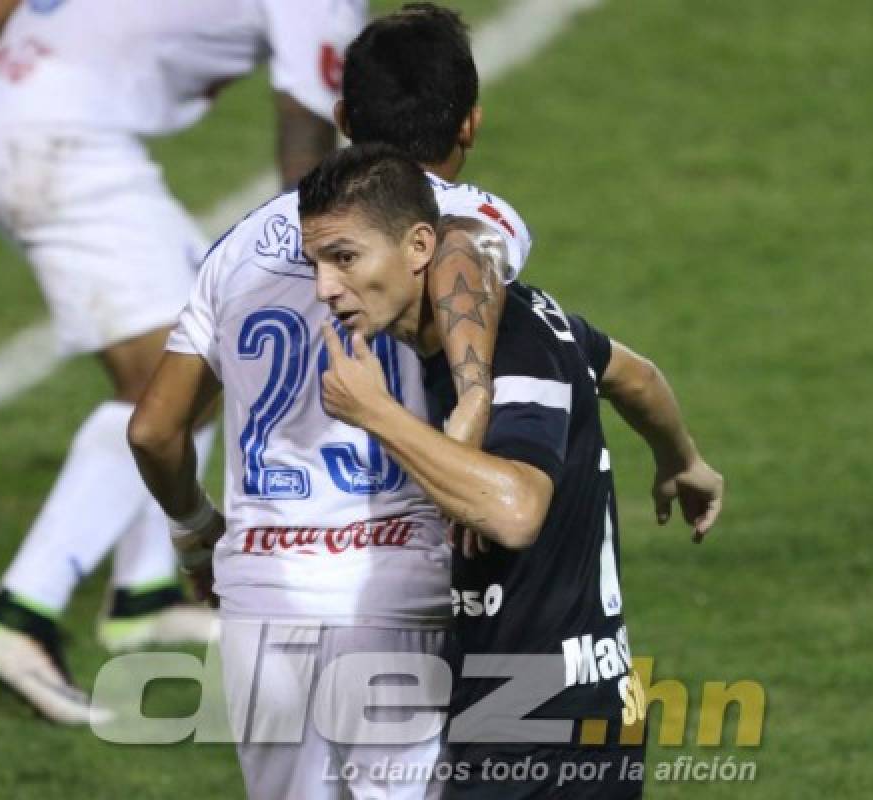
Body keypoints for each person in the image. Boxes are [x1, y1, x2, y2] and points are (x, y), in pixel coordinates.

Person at [0, 0, 367, 724]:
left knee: (200, 350)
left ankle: (144, 595)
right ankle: (18, 613)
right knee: (173, 385)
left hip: (14, 122)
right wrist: (322, 267)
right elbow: (304, 135)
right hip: (63, 146)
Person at [127, 5, 534, 797]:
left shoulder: (238, 247)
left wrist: (195, 532)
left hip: (261, 594)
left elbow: (153, 432)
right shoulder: (470, 223)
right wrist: (473, 407)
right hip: (397, 586)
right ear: (471, 124)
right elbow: (466, 258)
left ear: (342, 116)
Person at [300, 143, 725, 798]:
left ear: (418, 249)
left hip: (539, 720)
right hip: (564, 701)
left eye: (345, 258)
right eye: (317, 264)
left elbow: (515, 512)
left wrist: (377, 413)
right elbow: (636, 378)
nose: (326, 287)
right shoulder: (512, 323)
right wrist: (683, 459)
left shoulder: (516, 354)